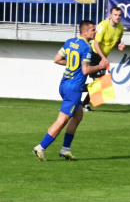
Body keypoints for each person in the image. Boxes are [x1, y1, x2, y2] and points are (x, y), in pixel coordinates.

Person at [32, 19, 109, 162]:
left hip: (64, 84)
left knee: (78, 115)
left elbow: (57, 59)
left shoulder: (70, 42)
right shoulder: (86, 48)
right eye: (93, 30)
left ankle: (65, 149)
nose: (95, 32)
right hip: (73, 88)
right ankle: (41, 147)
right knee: (62, 121)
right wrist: (100, 66)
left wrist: (75, 66)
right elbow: (86, 70)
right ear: (84, 31)